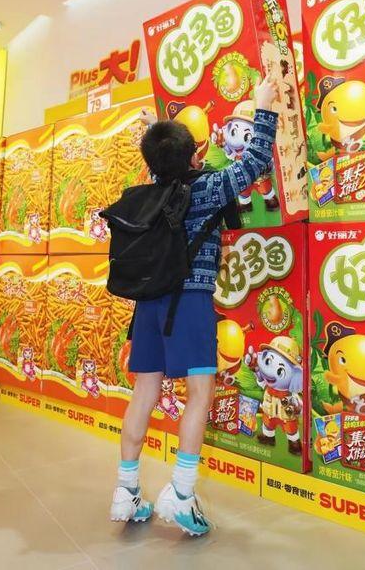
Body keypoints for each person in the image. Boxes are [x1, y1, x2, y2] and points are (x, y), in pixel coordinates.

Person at [110, 75, 279, 536]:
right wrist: (263, 105)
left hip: (148, 306)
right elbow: (255, 161)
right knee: (199, 395)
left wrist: (155, 130)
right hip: (189, 304)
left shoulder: (150, 190)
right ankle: (182, 494)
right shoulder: (205, 189)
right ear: (195, 156)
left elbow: (162, 162)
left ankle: (126, 490)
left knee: (144, 393)